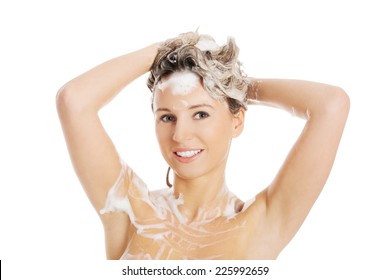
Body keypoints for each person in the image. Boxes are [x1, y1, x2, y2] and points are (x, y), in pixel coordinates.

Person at [56, 31, 350, 260]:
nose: (181, 135)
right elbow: (74, 101)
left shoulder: (262, 222)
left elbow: (331, 105)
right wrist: (166, 49)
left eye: (201, 114)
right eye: (167, 117)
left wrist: (236, 86)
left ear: (236, 121)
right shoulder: (132, 212)